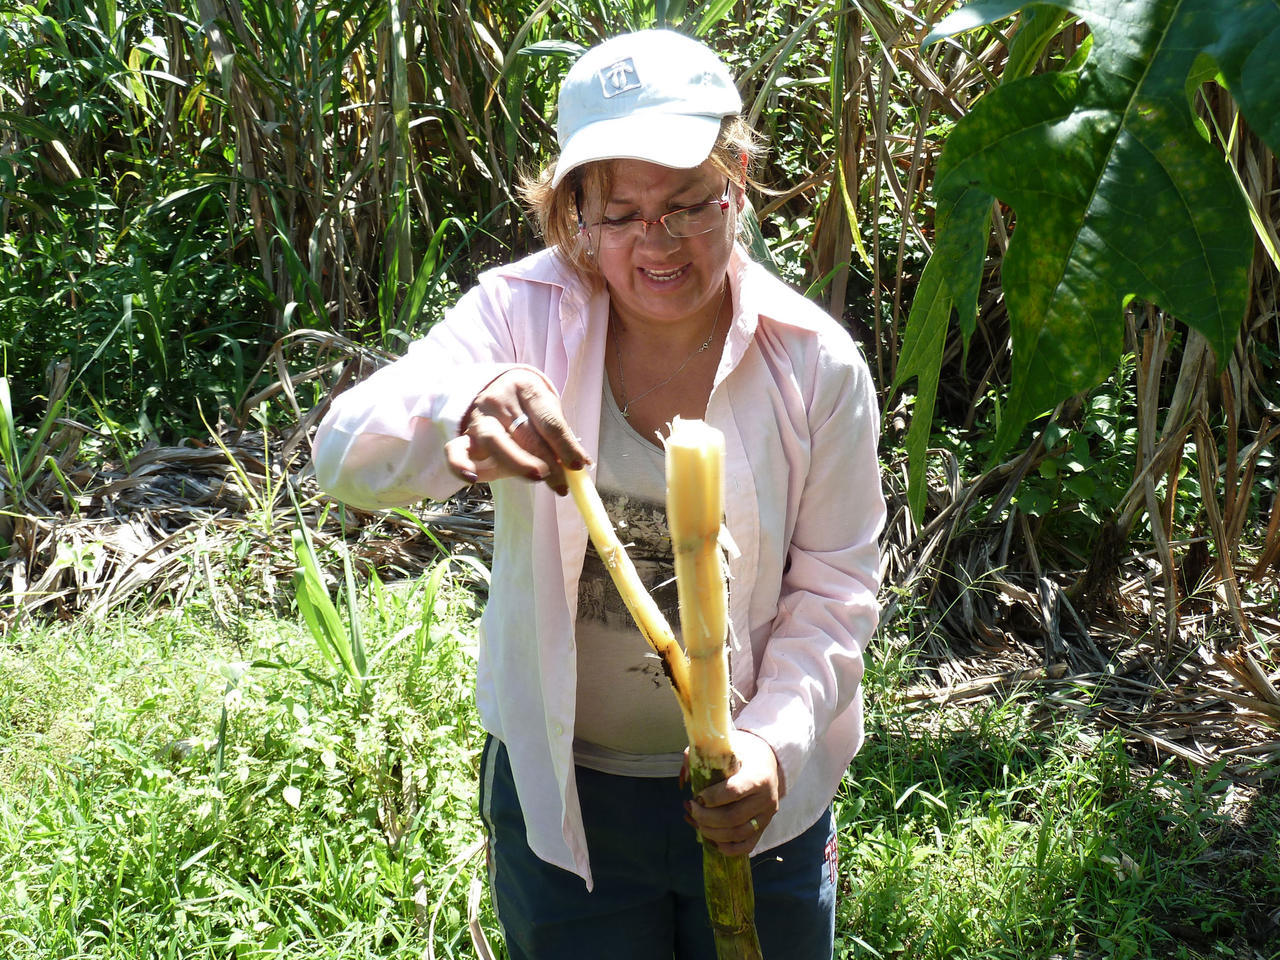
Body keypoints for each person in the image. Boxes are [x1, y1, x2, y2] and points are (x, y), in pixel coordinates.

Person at [314, 28, 884, 960]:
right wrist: (467, 402)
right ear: (575, 210)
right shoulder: (521, 316)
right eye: (620, 214)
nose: (657, 243)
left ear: (737, 180)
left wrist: (772, 746)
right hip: (568, 788)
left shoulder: (813, 363)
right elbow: (344, 450)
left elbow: (836, 586)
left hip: (758, 806)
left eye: (688, 204)